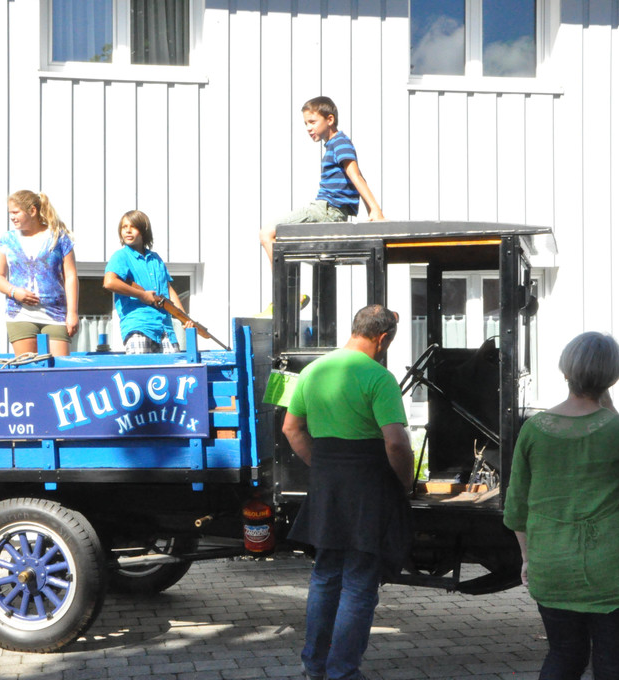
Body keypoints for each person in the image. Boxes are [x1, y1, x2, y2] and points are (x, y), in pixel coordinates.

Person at [504, 332, 619, 680]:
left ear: (565, 371)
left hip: (552, 563)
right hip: (614, 567)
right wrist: (608, 400)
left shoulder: (534, 430)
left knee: (564, 656)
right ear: (614, 376)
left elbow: (516, 505)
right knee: (616, 664)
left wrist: (527, 557)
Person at [281, 305, 413, 680]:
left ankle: (315, 665)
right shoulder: (379, 378)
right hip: (368, 490)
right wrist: (404, 483)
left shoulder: (312, 371)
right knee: (358, 582)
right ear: (382, 339)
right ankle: (342, 671)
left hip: (327, 487)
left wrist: (322, 466)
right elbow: (396, 443)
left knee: (325, 577)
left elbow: (291, 429)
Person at [259, 96, 385, 267]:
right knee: (299, 252)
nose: (308, 128)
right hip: (328, 210)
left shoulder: (340, 143)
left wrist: (375, 211)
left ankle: (282, 285)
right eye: (306, 124)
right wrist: (371, 210)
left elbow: (356, 176)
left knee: (267, 234)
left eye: (312, 122)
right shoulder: (334, 145)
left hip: (328, 210)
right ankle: (290, 282)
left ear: (330, 120)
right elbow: (356, 177)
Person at [0, 190, 78, 357]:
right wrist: (13, 291)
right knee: (28, 367)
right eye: (10, 213)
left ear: (32, 211)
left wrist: (72, 312)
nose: (12, 217)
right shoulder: (7, 239)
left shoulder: (58, 237)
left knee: (59, 366)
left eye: (16, 212)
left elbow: (70, 276)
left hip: (55, 313)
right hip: (20, 314)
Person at [103, 210, 192, 354]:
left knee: (173, 367)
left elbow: (168, 290)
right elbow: (109, 282)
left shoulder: (156, 258)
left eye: (133, 226)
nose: (128, 230)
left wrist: (184, 318)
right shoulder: (121, 256)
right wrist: (142, 295)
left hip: (165, 328)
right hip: (139, 326)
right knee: (141, 368)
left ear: (144, 230)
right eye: (124, 227)